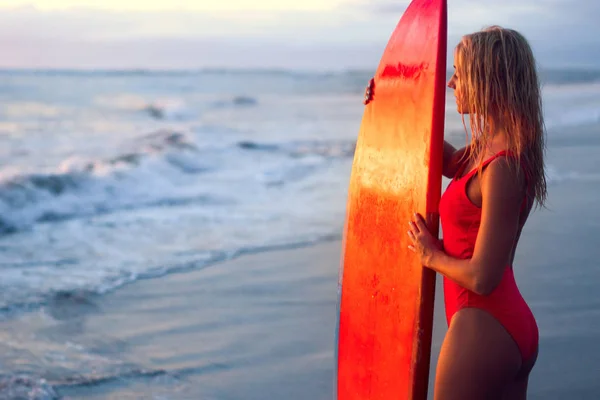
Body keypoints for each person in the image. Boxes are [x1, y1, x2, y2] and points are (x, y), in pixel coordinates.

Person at [407, 26, 547, 400]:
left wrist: (429, 255)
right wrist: (393, 105)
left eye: (459, 73)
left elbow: (483, 277)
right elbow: (450, 160)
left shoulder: (502, 165)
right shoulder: (493, 147)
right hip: (502, 325)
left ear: (489, 78)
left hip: (483, 325)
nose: (452, 83)